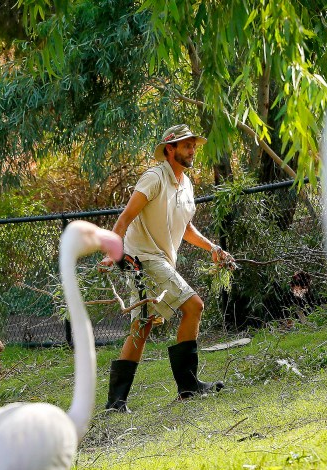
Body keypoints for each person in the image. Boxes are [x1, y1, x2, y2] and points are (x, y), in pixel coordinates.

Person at [99, 124, 234, 412]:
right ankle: (188, 386)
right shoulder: (154, 177)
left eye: (193, 145)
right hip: (143, 259)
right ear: (169, 149)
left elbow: (186, 229)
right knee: (194, 306)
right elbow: (125, 217)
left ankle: (115, 403)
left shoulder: (186, 184)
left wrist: (212, 248)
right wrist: (113, 254)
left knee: (142, 326)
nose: (192, 149)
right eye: (186, 145)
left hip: (160, 259)